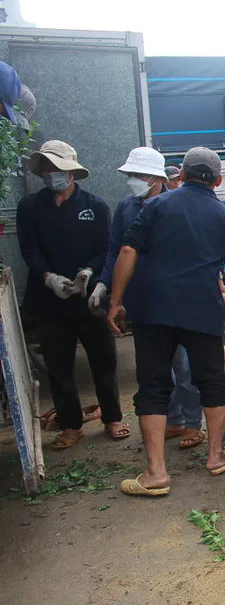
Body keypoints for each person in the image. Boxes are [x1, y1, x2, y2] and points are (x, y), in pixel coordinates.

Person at [107, 147, 225, 497]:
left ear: (180, 176)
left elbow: (127, 251)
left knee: (153, 386)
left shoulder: (156, 207)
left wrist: (115, 302)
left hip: (152, 310)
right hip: (201, 310)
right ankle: (215, 455)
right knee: (211, 381)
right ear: (218, 180)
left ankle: (156, 473)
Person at [91, 147, 210, 451]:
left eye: (139, 175)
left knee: (183, 366)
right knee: (156, 368)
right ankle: (173, 420)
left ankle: (194, 423)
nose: (134, 180)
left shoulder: (174, 206)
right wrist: (104, 285)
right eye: (131, 175)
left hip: (176, 302)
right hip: (142, 302)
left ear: (156, 178)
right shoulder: (126, 209)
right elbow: (116, 251)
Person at [17, 140, 128, 448]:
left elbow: (105, 248)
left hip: (88, 299)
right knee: (57, 364)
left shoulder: (94, 205)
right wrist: (48, 277)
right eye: (47, 169)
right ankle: (70, 424)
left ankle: (112, 417)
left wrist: (88, 274)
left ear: (71, 173)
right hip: (49, 299)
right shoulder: (30, 207)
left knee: (103, 359)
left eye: (57, 169)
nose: (51, 174)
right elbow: (29, 249)